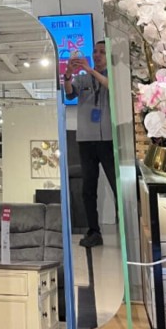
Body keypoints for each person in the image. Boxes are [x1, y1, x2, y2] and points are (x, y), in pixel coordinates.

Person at [63, 41, 117, 248]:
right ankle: (94, 231)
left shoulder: (113, 76)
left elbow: (111, 87)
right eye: (95, 51)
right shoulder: (82, 78)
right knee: (88, 189)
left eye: (102, 52)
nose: (97, 55)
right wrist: (69, 74)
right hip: (85, 140)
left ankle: (126, 228)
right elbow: (69, 93)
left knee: (117, 186)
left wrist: (90, 70)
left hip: (108, 140)